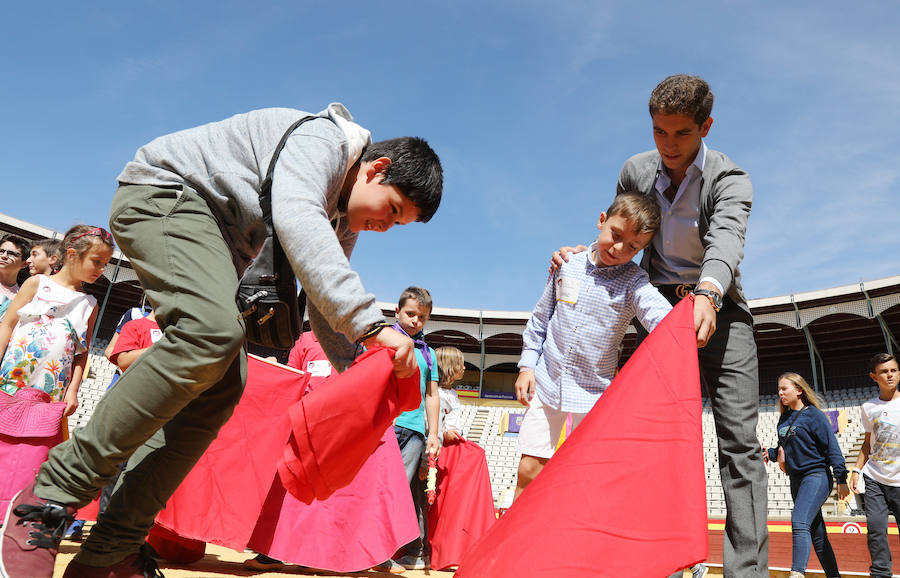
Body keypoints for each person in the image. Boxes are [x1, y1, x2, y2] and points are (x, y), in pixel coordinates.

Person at [0, 104, 442, 578]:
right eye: (392, 210)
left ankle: (112, 550)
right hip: (164, 195)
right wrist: (374, 326)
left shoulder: (338, 218)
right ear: (377, 168)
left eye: (398, 225)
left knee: (225, 384)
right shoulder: (325, 142)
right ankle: (47, 498)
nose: (385, 226)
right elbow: (297, 218)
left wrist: (361, 364)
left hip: (209, 235)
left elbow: (322, 293)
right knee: (212, 332)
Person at [553, 74, 767, 577]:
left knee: (739, 444)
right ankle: (660, 564)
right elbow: (620, 235)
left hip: (722, 312)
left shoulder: (731, 179)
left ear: (706, 126)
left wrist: (708, 295)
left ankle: (747, 574)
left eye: (682, 134)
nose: (668, 146)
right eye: (658, 132)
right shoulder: (635, 170)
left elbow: (727, 241)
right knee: (660, 443)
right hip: (655, 313)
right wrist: (578, 258)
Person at [516, 192, 672, 500]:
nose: (619, 249)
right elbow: (540, 319)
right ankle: (513, 544)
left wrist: (684, 322)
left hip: (594, 395)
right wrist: (526, 365)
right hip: (548, 382)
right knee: (529, 469)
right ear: (602, 220)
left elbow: (658, 313)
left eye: (633, 247)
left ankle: (572, 544)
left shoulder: (634, 281)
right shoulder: (566, 264)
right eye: (615, 235)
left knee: (584, 480)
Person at [0, 226, 112, 524]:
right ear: (72, 255)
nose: (101, 270)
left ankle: (14, 515)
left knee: (31, 453)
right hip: (9, 381)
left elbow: (81, 352)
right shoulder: (36, 284)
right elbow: (7, 326)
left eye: (105, 264)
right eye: (97, 262)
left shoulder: (89, 304)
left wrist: (73, 390)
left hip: (50, 392)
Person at [762, 373, 847, 578]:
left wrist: (841, 478)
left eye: (785, 389)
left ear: (799, 390)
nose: (780, 393)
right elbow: (786, 448)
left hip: (816, 477)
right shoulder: (784, 418)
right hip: (796, 480)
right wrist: (770, 453)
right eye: (779, 389)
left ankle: (797, 573)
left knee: (799, 521)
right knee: (818, 536)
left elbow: (831, 447)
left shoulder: (814, 415)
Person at [390, 286, 440, 571]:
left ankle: (414, 550)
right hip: (384, 425)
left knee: (404, 490)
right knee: (383, 486)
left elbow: (432, 395)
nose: (415, 321)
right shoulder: (383, 340)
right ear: (396, 312)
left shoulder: (428, 353)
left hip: (413, 431)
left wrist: (433, 434)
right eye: (410, 314)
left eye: (422, 317)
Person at [850, 353, 900, 578]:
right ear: (874, 376)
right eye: (883, 372)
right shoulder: (869, 407)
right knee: (876, 529)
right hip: (875, 478)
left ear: (898, 373)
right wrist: (856, 469)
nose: (889, 375)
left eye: (893, 370)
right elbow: (868, 443)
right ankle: (880, 574)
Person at [0, 234, 29, 319]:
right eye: (1, 251)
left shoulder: (20, 298)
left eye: (11, 254)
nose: (4, 256)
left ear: (24, 264)